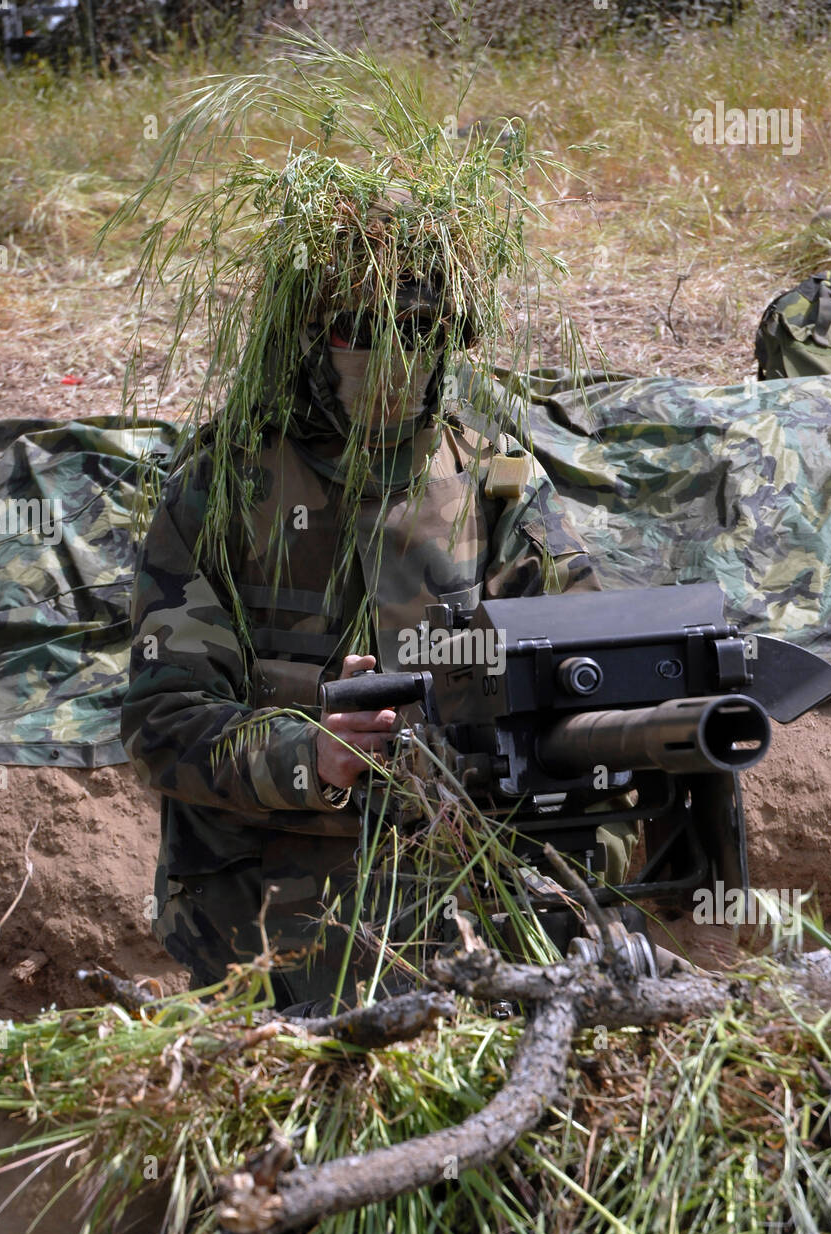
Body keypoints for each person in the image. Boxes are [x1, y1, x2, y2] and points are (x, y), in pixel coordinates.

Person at [120, 183, 633, 1016]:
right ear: (309, 337)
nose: (399, 358)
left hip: (468, 911)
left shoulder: (493, 483)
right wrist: (312, 755)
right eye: (366, 333)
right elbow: (162, 722)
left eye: (426, 333)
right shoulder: (222, 491)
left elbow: (588, 676)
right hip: (268, 924)